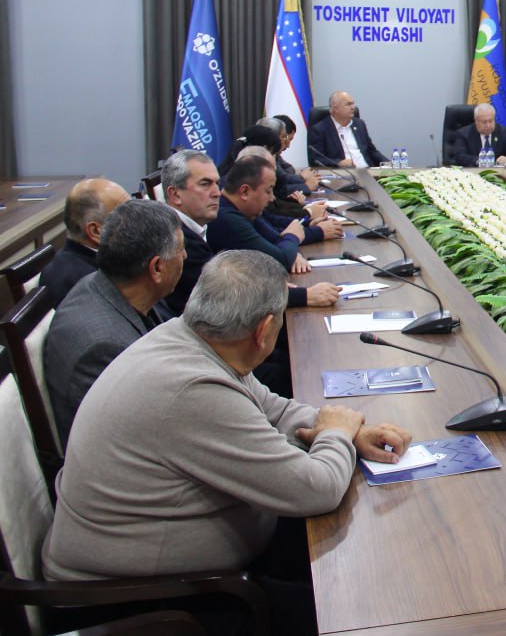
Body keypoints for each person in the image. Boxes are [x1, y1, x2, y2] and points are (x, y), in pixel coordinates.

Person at [42, 250, 411, 634]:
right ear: (265, 329)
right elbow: (316, 490)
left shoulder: (195, 339)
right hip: (133, 604)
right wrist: (335, 433)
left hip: (180, 571)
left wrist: (349, 430)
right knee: (361, 616)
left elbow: (271, 408)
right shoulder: (192, 388)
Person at [44, 201, 184, 445]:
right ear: (157, 267)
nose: (185, 256)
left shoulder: (99, 282)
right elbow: (146, 434)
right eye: (180, 250)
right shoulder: (105, 348)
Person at [162, 149, 338, 315]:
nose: (216, 193)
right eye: (205, 184)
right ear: (175, 195)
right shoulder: (178, 239)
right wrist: (304, 295)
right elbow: (223, 296)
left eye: (216, 183)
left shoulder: (197, 228)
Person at [39, 177, 131, 308]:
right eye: (128, 217)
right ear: (96, 231)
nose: (138, 222)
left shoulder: (106, 257)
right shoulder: (78, 283)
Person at [307, 90, 388, 167]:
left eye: (353, 104)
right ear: (335, 109)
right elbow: (316, 160)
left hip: (368, 171)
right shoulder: (319, 130)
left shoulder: (359, 124)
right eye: (348, 104)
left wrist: (388, 163)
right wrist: (339, 163)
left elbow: (371, 151)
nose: (353, 107)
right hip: (343, 175)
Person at [451, 102, 506, 167]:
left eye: (491, 121)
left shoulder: (505, 133)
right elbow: (460, 157)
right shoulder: (463, 134)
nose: (488, 125)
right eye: (484, 122)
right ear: (476, 121)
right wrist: (480, 161)